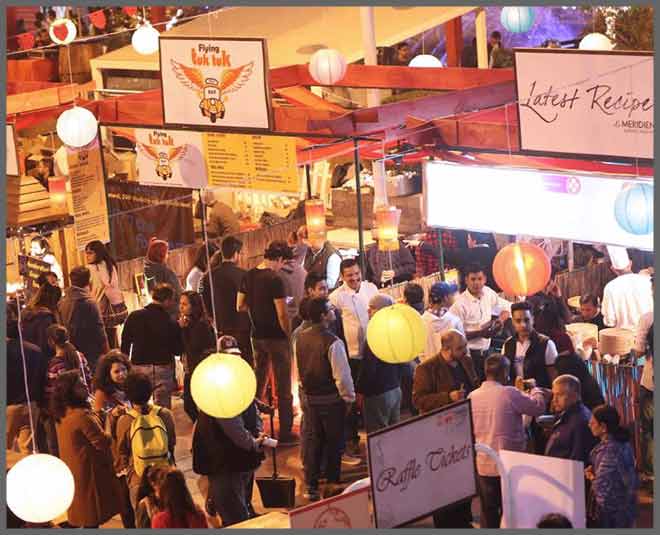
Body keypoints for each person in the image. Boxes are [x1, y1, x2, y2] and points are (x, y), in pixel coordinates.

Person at [469, 354, 549, 528]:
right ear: (505, 373)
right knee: (512, 512)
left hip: (483, 464)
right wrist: (535, 389)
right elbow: (538, 407)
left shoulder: (471, 396)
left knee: (489, 512)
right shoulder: (509, 393)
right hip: (509, 465)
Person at [413, 329, 477, 528]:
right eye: (461, 348)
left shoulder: (466, 361)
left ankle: (464, 518)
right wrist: (448, 397)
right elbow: (418, 400)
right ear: (447, 349)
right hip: (439, 434)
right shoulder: (426, 369)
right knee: (443, 482)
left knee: (464, 477)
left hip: (464, 429)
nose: (465, 351)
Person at [193, 354, 265, 525]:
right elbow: (240, 432)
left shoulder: (218, 396)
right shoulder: (227, 398)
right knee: (236, 514)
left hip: (232, 463)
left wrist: (255, 440)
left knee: (236, 507)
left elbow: (244, 426)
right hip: (230, 463)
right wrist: (255, 442)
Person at [296, 297, 355, 501]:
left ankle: (311, 485)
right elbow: (342, 376)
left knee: (314, 442)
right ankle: (332, 484)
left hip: (310, 399)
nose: (333, 311)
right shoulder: (333, 342)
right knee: (334, 443)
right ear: (323, 315)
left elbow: (299, 370)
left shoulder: (300, 338)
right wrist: (348, 398)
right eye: (330, 309)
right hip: (331, 401)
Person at [237, 240, 297, 444]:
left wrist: (257, 307)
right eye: (283, 263)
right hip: (276, 337)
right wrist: (288, 334)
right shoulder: (275, 279)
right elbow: (282, 314)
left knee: (259, 382)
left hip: (257, 336)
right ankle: (286, 432)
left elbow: (239, 306)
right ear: (278, 259)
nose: (282, 267)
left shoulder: (248, 275)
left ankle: (253, 427)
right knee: (283, 386)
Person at [51, 370, 121, 528]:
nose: (84, 385)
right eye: (79, 384)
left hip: (75, 470)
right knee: (91, 516)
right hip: (89, 472)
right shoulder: (81, 415)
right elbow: (103, 441)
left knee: (83, 513)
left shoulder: (63, 413)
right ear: (70, 392)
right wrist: (109, 420)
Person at [329, 258, 379, 456]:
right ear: (342, 277)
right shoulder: (336, 297)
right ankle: (351, 439)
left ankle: (373, 434)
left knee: (371, 396)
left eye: (357, 274)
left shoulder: (371, 289)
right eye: (349, 275)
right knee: (350, 398)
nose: (354, 278)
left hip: (373, 350)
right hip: (350, 354)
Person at [116, 371, 176, 510]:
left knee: (143, 518)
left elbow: (122, 452)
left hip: (138, 479)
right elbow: (171, 444)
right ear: (150, 392)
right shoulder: (165, 414)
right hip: (166, 476)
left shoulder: (125, 420)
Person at [121, 283, 183, 409]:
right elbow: (177, 350)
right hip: (163, 368)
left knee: (139, 407)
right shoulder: (170, 321)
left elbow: (125, 343)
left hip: (139, 368)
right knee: (162, 410)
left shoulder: (134, 316)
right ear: (167, 300)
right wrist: (181, 330)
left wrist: (125, 366)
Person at [92, 350, 134, 528]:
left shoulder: (130, 388)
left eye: (124, 370)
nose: (122, 374)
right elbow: (97, 419)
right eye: (117, 371)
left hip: (132, 441)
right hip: (116, 448)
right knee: (123, 492)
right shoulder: (102, 393)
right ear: (107, 373)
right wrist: (112, 414)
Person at [449, 263, 511, 382]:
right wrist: (480, 333)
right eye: (473, 279)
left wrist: (499, 320)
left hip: (488, 352)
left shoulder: (488, 293)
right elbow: (454, 337)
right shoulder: (459, 305)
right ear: (466, 280)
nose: (476, 283)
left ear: (485, 279)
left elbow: (506, 308)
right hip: (468, 356)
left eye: (479, 279)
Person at [356, 294, 406, 432]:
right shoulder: (398, 330)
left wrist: (360, 391)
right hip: (395, 388)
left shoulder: (374, 334)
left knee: (378, 436)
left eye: (372, 308)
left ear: (383, 311)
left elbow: (368, 368)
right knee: (394, 432)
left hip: (378, 394)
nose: (368, 311)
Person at [200, 236, 253, 367]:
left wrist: (213, 319)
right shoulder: (245, 275)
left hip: (221, 328)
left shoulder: (207, 277)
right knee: (245, 365)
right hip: (243, 327)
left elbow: (205, 302)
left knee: (226, 365)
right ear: (236, 254)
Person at [586, 405, 639, 528]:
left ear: (603, 427)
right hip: (626, 509)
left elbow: (603, 489)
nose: (589, 425)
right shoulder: (622, 443)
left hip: (613, 514)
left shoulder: (610, 450)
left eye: (593, 423)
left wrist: (591, 476)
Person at [44, 324, 92, 455]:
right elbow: (89, 378)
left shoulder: (55, 364)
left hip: (65, 410)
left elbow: (52, 391)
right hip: (84, 404)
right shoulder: (80, 356)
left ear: (51, 342)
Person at [6, 305, 47, 455]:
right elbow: (42, 378)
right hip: (31, 405)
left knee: (6, 450)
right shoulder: (35, 350)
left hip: (9, 406)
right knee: (28, 451)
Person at [58, 266, 109, 371]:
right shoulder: (89, 303)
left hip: (71, 353)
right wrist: (107, 354)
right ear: (89, 280)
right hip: (91, 353)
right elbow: (99, 330)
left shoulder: (62, 302)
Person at [179, 290, 216, 422]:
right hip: (192, 368)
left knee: (194, 403)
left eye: (185, 304)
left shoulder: (201, 324)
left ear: (194, 306)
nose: (181, 307)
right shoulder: (191, 322)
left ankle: (205, 426)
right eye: (180, 303)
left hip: (199, 369)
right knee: (190, 404)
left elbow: (192, 348)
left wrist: (183, 329)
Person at [502, 301, 558, 389]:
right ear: (513, 322)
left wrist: (536, 384)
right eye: (518, 321)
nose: (523, 325)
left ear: (533, 319)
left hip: (539, 393)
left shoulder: (546, 344)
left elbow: (554, 380)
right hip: (515, 393)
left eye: (526, 320)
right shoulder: (508, 344)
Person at [545, 374, 597, 464]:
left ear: (575, 395)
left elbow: (577, 461)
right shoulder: (566, 412)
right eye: (554, 395)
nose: (554, 400)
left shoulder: (580, 422)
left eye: (559, 395)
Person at [85, 240, 126, 348]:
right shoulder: (110, 266)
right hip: (114, 307)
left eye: (90, 253)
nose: (87, 256)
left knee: (102, 341)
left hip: (99, 308)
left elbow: (90, 289)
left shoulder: (90, 269)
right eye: (86, 253)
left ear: (98, 253)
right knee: (112, 337)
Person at [601, 246, 653, 330]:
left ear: (613, 269)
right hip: (649, 333)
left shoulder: (610, 288)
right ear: (630, 264)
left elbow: (609, 321)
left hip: (623, 336)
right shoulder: (647, 281)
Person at [634, 276, 653, 480]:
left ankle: (650, 474)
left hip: (651, 383)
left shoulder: (648, 319)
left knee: (649, 430)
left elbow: (638, 351)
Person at [422, 281, 464, 362]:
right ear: (446, 298)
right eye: (452, 294)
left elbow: (421, 352)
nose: (454, 297)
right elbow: (463, 349)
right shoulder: (454, 321)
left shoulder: (421, 322)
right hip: (453, 366)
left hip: (430, 367)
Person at [144, 237, 183, 320]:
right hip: (171, 315)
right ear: (161, 255)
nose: (168, 255)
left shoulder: (148, 271)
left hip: (156, 314)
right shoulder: (166, 272)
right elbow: (178, 294)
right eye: (166, 252)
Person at [20, 282, 61, 359]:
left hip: (26, 357)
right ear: (53, 300)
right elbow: (45, 346)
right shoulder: (45, 317)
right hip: (41, 360)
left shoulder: (25, 312)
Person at [280, 234, 308, 320]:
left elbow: (287, 298)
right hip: (302, 315)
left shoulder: (278, 273)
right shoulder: (303, 271)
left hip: (287, 317)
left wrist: (289, 301)